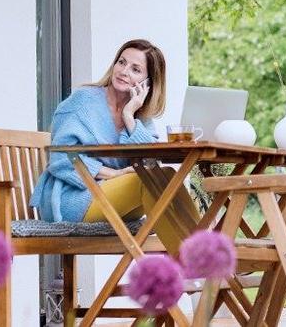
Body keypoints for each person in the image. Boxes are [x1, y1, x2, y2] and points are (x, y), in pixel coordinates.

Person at [30, 38, 199, 254]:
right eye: (122, 62)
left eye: (135, 69)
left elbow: (150, 163)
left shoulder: (139, 114)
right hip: (72, 200)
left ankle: (204, 252)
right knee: (144, 182)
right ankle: (196, 263)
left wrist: (129, 117)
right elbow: (60, 158)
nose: (124, 71)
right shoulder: (82, 101)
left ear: (148, 82)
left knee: (164, 174)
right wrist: (115, 174)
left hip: (111, 200)